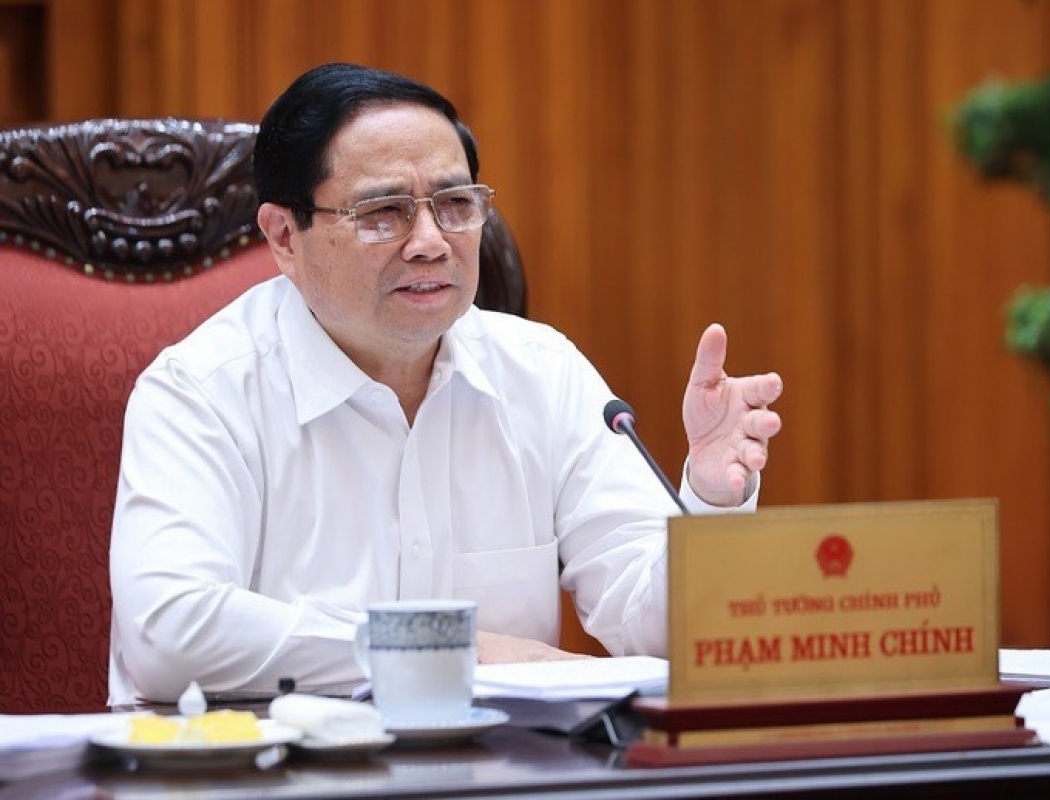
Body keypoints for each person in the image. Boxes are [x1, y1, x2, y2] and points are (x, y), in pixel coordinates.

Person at [108, 62, 783, 705]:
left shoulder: (541, 374)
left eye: (455, 204)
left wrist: (712, 502)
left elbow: (658, 631)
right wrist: (457, 651)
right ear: (285, 235)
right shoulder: (201, 393)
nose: (431, 242)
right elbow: (169, 635)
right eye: (384, 211)